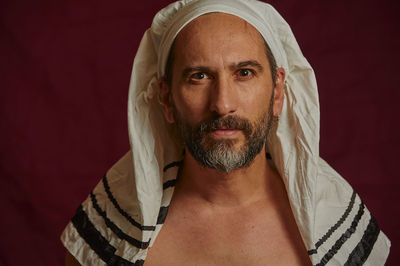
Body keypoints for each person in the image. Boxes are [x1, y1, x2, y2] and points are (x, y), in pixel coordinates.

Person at [62, 0, 391, 265]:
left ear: (277, 92)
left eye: (244, 73)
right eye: (199, 76)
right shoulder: (112, 229)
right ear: (166, 97)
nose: (222, 104)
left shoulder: (334, 226)